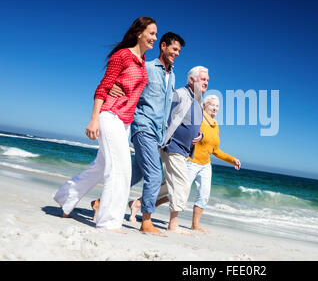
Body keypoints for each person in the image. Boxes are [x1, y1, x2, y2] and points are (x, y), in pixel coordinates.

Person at [53, 17, 157, 233]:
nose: (154, 38)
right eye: (152, 33)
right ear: (139, 33)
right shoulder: (123, 56)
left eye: (156, 34)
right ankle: (109, 221)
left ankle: (66, 199)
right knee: (120, 170)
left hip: (124, 121)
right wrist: (94, 119)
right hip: (109, 115)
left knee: (100, 167)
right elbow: (103, 87)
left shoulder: (142, 62)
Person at [91, 32, 185, 237]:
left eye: (179, 51)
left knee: (137, 172)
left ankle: (99, 203)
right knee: (155, 174)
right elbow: (128, 81)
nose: (176, 53)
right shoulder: (148, 68)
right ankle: (146, 221)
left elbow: (166, 107)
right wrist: (113, 88)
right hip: (143, 127)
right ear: (163, 46)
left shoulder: (173, 76)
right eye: (174, 49)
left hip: (157, 133)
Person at [156, 66, 209, 234]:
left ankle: (137, 203)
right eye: (203, 79)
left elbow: (193, 125)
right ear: (191, 80)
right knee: (183, 184)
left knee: (169, 185)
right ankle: (173, 224)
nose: (206, 82)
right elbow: (165, 117)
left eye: (207, 80)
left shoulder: (198, 100)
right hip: (172, 145)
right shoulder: (179, 94)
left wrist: (199, 135)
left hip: (185, 149)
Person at [186, 95, 241, 232]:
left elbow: (215, 150)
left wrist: (231, 159)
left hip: (205, 165)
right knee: (178, 192)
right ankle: (141, 204)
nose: (215, 108)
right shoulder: (198, 118)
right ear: (205, 105)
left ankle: (195, 225)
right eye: (213, 105)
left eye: (217, 106)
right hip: (190, 162)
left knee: (204, 194)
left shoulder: (215, 126)